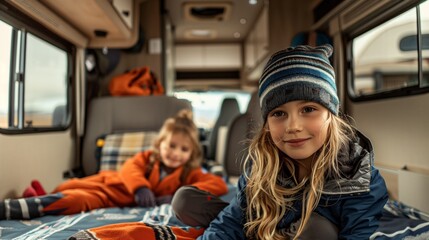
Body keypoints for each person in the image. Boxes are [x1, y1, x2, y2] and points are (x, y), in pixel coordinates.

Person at [173, 44, 388, 239]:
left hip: (310, 230)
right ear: (266, 123)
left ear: (330, 115)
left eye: (308, 109)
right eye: (279, 114)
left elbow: (358, 235)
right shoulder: (262, 161)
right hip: (266, 222)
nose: (293, 126)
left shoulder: (358, 177)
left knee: (317, 230)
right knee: (185, 200)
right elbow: (232, 220)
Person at [0, 109, 228, 220]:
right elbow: (130, 168)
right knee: (71, 186)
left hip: (108, 201)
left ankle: (27, 204)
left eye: (184, 149)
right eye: (171, 146)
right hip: (111, 186)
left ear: (192, 153)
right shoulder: (148, 158)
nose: (175, 153)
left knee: (78, 199)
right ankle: (42, 194)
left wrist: (178, 194)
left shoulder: (189, 173)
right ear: (160, 145)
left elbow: (217, 184)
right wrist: (140, 187)